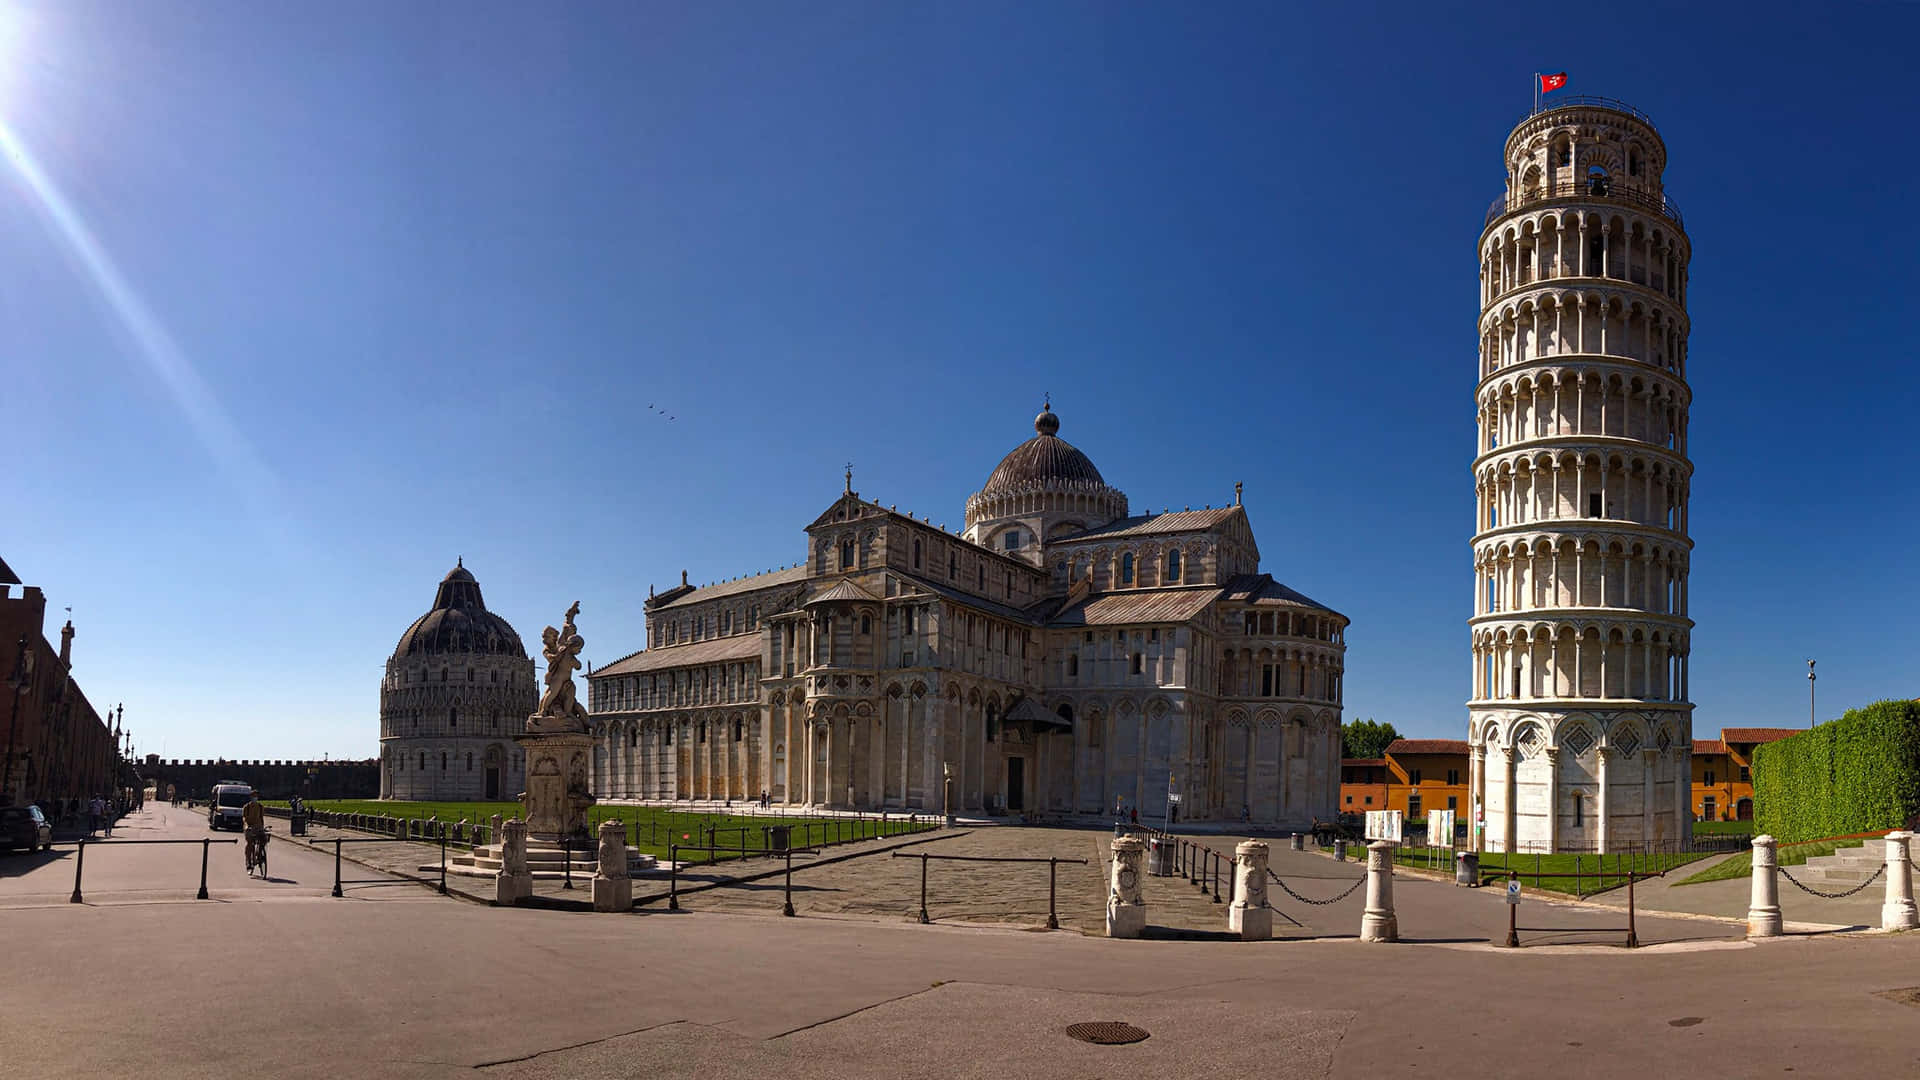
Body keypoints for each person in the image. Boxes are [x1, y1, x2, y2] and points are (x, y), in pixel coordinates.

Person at [242, 794, 268, 871]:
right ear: (251, 798)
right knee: (250, 843)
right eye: (253, 796)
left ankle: (259, 855)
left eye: (256, 796)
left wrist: (263, 828)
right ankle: (248, 861)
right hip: (249, 827)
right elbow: (244, 818)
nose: (255, 798)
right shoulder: (247, 807)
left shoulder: (260, 807)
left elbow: (261, 818)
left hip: (258, 827)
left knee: (264, 840)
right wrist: (246, 826)